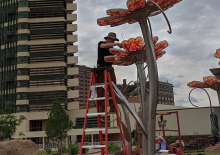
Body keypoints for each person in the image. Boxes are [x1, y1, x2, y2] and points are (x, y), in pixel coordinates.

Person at [96, 32, 122, 112]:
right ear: (108, 39)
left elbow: (113, 59)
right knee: (101, 89)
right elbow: (104, 46)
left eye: (114, 41)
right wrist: (117, 44)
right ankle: (101, 108)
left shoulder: (111, 50)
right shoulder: (101, 43)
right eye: (112, 40)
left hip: (109, 69)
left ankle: (113, 107)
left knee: (113, 88)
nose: (113, 42)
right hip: (101, 69)